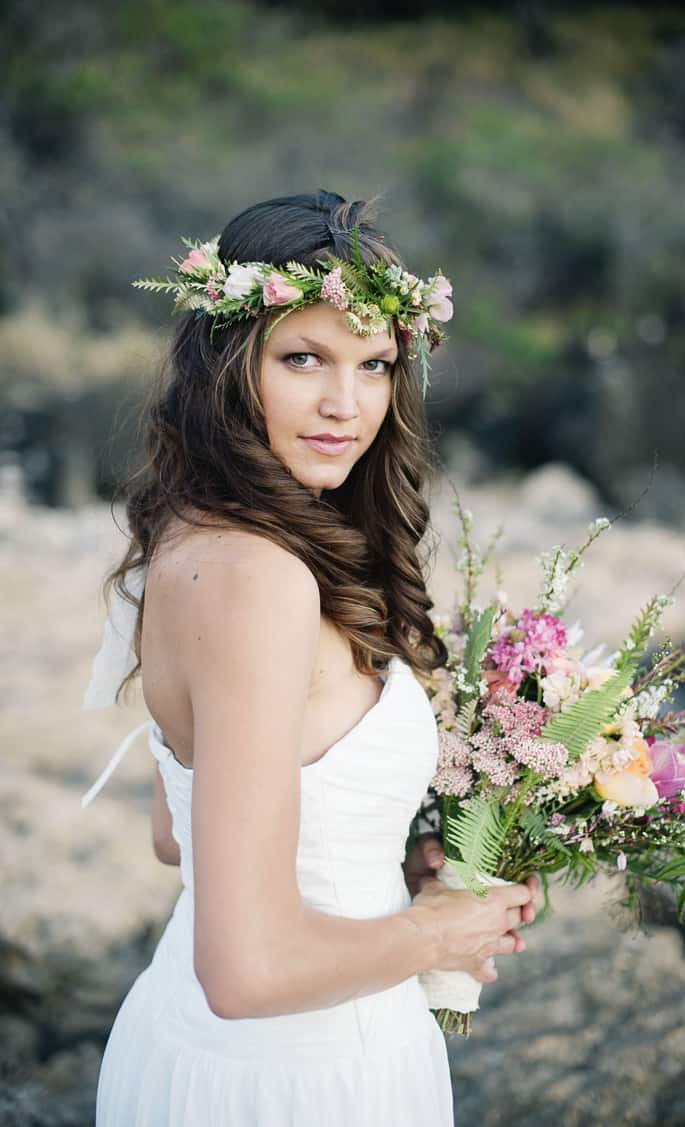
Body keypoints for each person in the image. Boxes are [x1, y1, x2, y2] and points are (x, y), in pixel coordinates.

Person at [79, 188, 539, 1126]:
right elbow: (245, 971)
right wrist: (430, 929)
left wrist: (386, 862)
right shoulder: (259, 577)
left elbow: (181, 835)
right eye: (303, 358)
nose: (347, 404)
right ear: (226, 368)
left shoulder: (199, 533)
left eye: (374, 364)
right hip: (292, 1077)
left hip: (225, 1050)